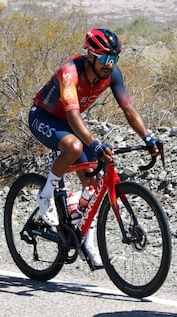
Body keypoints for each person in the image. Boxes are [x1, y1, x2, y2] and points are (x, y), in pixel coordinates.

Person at [29, 28, 163, 267]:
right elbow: (72, 117)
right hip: (45, 117)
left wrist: (149, 138)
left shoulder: (112, 74)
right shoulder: (69, 72)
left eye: (114, 59)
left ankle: (85, 238)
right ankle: (46, 193)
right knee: (73, 145)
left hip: (71, 121)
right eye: (104, 59)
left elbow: (128, 109)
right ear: (90, 55)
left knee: (92, 183)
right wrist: (95, 143)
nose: (109, 65)